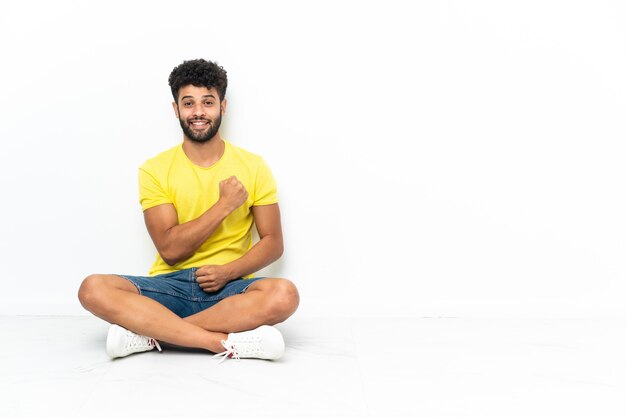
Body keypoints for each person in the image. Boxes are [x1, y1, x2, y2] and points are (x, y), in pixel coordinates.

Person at [78, 59, 299, 361]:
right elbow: (170, 249)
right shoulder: (154, 170)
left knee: (285, 295)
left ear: (223, 106)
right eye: (188, 103)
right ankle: (220, 343)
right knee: (92, 288)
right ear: (176, 109)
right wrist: (224, 206)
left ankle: (151, 335)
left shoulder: (254, 166)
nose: (198, 112)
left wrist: (227, 272)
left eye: (208, 102)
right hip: (169, 288)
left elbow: (274, 243)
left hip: (230, 290)